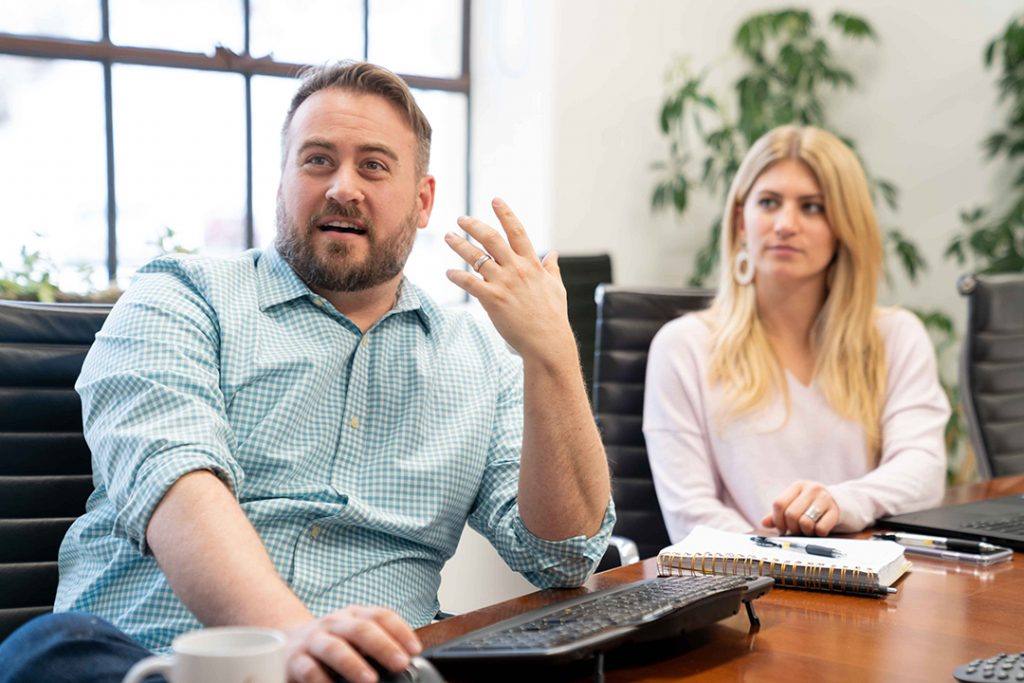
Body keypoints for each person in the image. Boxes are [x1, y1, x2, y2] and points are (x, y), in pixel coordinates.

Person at [0, 61, 614, 683]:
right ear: (283, 181)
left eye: (374, 165)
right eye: (317, 160)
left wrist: (553, 360)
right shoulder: (181, 297)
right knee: (48, 651)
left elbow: (562, 556)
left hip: (379, 671)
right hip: (161, 660)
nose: (343, 186)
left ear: (423, 200)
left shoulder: (479, 360)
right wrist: (294, 641)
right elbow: (174, 480)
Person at [643, 125, 949, 543]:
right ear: (739, 221)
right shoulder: (682, 347)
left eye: (812, 207)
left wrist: (841, 502)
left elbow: (924, 470)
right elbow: (690, 516)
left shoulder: (896, 336)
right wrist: (788, 561)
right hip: (745, 593)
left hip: (871, 582)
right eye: (769, 202)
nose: (785, 224)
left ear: (844, 226)